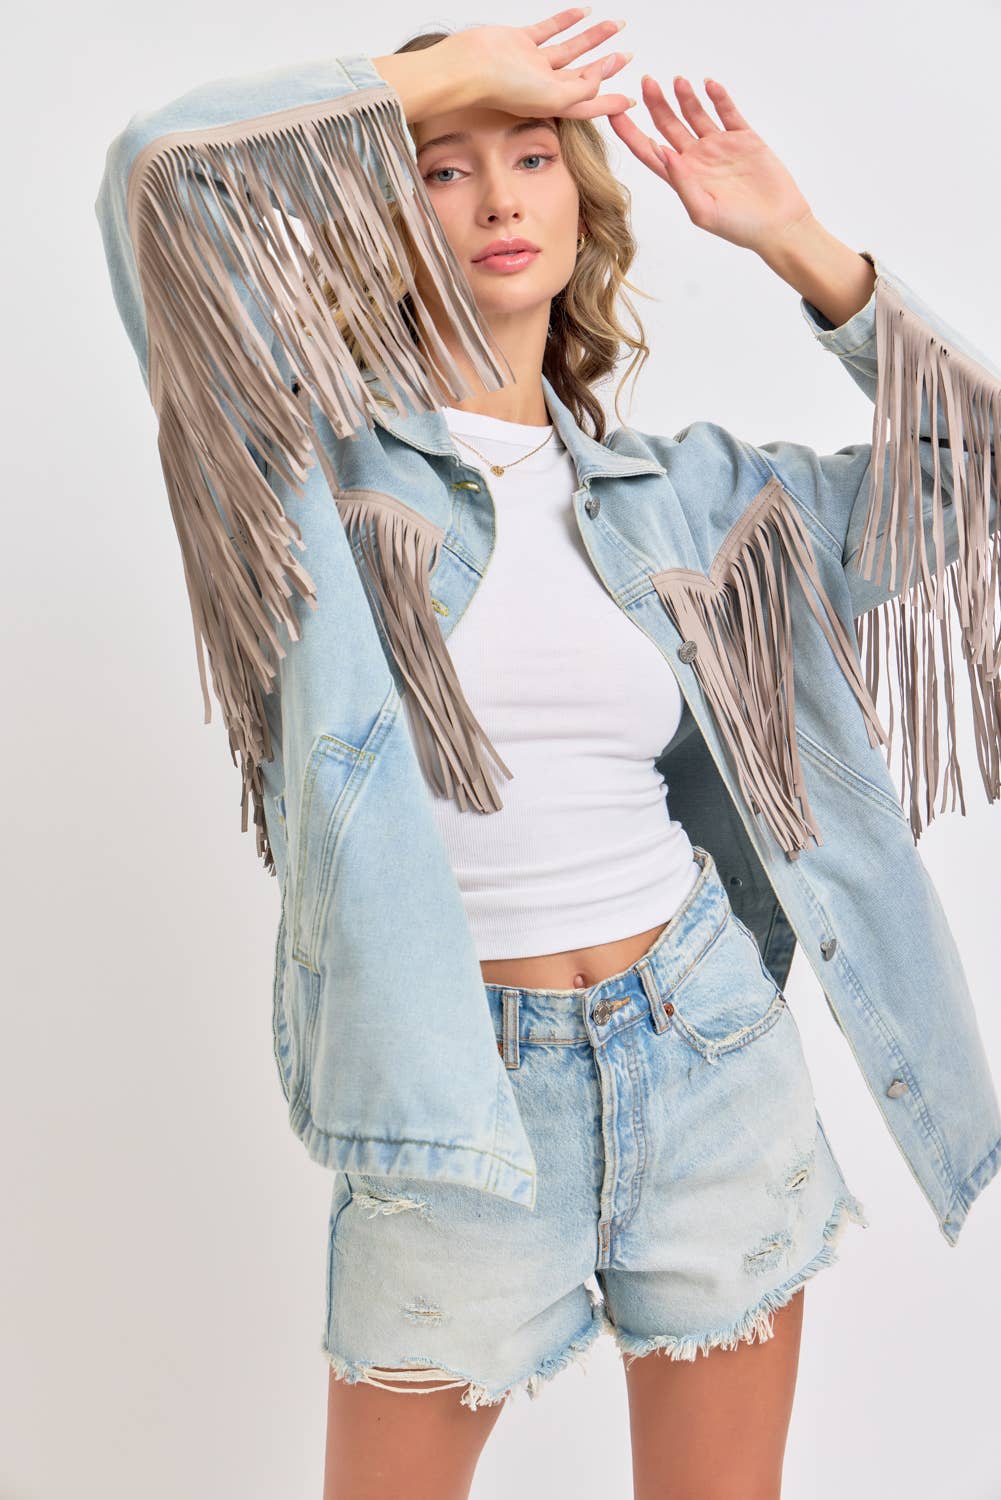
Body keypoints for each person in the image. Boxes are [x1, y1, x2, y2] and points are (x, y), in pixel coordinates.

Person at [94, 12, 1001, 1498]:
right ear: (382, 220)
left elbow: (975, 473)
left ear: (583, 208)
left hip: (709, 1046)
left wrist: (802, 248)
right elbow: (155, 177)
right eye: (442, 170)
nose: (498, 198)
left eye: (531, 158)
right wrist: (440, 77)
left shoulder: (684, 495)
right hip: (454, 1092)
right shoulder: (306, 475)